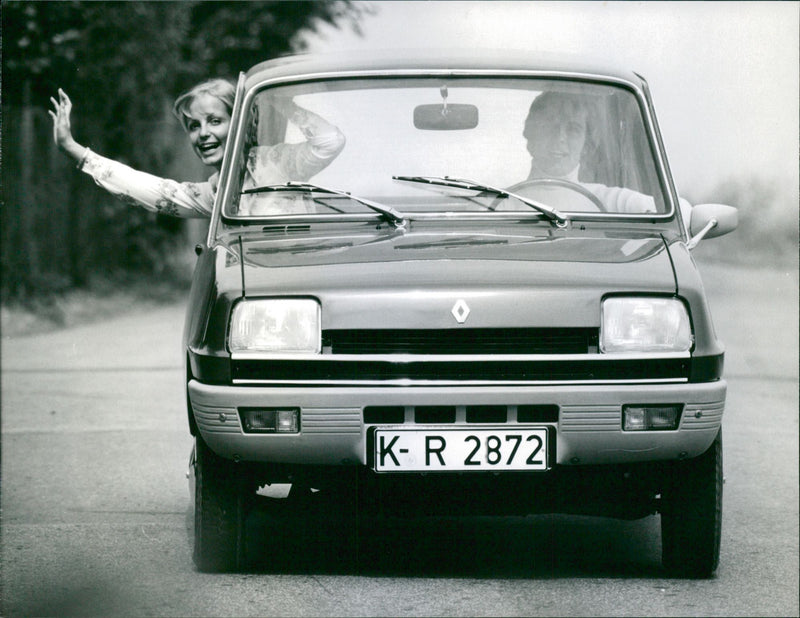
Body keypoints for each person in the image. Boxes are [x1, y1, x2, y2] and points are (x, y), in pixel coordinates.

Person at [50, 79, 345, 218]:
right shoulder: (215, 192)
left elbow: (330, 142)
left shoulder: (277, 161)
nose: (203, 134)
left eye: (215, 121)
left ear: (241, 122)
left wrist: (279, 101)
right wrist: (71, 148)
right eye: (194, 125)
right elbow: (153, 191)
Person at [519, 91, 656, 214]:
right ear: (530, 134)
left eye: (573, 129)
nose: (559, 138)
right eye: (549, 125)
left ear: (587, 145)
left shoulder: (611, 201)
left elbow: (672, 213)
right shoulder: (500, 204)